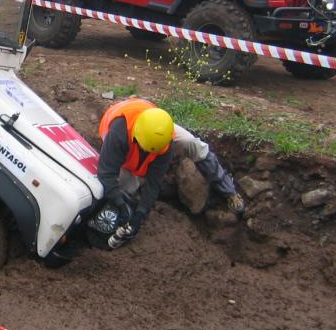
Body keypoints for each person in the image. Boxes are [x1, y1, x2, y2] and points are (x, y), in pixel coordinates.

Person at [90, 98, 244, 249]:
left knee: (193, 144)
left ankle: (228, 190)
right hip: (128, 124)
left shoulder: (164, 141)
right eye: (143, 150)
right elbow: (106, 174)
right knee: (124, 185)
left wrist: (140, 214)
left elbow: (154, 182)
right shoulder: (118, 134)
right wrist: (121, 206)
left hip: (154, 125)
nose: (145, 153)